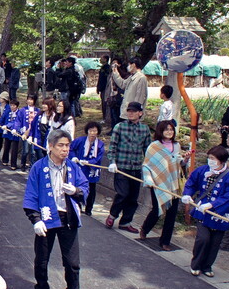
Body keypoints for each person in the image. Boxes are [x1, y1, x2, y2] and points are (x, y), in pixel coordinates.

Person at [23, 129, 89, 289]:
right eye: (61, 145)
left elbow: (84, 188)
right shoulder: (39, 167)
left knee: (72, 262)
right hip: (46, 219)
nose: (65, 149)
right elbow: (31, 195)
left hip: (67, 219)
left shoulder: (73, 167)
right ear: (50, 146)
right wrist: (35, 219)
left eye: (67, 145)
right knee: (41, 259)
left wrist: (75, 191)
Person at [182, 146, 229, 277]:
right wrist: (187, 194)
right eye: (209, 158)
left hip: (220, 213)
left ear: (221, 160)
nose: (210, 161)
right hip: (202, 211)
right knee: (203, 238)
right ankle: (196, 264)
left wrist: (213, 205)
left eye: (213, 158)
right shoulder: (202, 170)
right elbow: (191, 183)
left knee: (215, 242)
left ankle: (207, 266)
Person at [141, 120, 189, 251]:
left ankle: (165, 241)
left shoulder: (177, 145)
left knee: (171, 213)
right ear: (160, 131)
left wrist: (185, 160)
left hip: (174, 184)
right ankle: (145, 229)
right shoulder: (154, 146)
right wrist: (149, 180)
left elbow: (178, 162)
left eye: (171, 129)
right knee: (157, 210)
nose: (169, 132)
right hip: (158, 183)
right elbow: (147, 165)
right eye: (166, 129)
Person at [105, 102, 152, 233]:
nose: (130, 113)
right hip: (121, 167)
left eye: (134, 111)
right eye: (129, 111)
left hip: (136, 167)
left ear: (140, 113)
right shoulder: (119, 127)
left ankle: (126, 222)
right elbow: (113, 146)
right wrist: (112, 161)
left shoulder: (144, 129)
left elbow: (148, 150)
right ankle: (112, 215)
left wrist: (148, 167)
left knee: (133, 197)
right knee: (122, 193)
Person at [69, 121, 105, 217]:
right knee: (78, 187)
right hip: (80, 168)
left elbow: (99, 158)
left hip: (92, 170)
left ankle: (89, 209)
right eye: (90, 131)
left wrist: (89, 162)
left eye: (95, 131)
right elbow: (71, 148)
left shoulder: (100, 144)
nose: (92, 133)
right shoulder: (80, 140)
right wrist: (73, 157)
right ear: (87, 131)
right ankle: (78, 205)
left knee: (91, 189)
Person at [29, 97, 56, 163]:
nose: (43, 106)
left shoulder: (55, 116)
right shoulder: (40, 114)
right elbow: (32, 125)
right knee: (39, 158)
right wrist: (30, 136)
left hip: (49, 140)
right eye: (43, 104)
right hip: (39, 139)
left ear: (50, 105)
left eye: (45, 104)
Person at [1, 100, 21, 170]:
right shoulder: (8, 111)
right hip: (8, 132)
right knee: (6, 146)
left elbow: (16, 122)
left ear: (17, 106)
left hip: (15, 132)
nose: (12, 107)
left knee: (14, 149)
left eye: (14, 105)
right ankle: (5, 160)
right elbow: (2, 118)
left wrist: (9, 126)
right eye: (11, 105)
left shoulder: (19, 113)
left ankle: (13, 164)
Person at [96, 54, 111, 122]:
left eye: (102, 58)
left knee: (105, 103)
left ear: (105, 59)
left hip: (105, 88)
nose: (100, 59)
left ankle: (105, 118)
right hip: (102, 88)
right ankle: (104, 117)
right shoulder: (103, 67)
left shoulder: (107, 68)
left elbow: (104, 79)